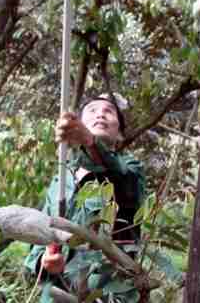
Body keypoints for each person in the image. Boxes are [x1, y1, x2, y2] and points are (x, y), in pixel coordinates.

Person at [24, 93, 147, 302]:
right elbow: (39, 236)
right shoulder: (60, 180)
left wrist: (90, 142)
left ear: (120, 134)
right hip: (58, 294)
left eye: (109, 111)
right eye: (92, 110)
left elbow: (125, 186)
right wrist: (44, 261)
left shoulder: (131, 168)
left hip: (109, 293)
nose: (100, 114)